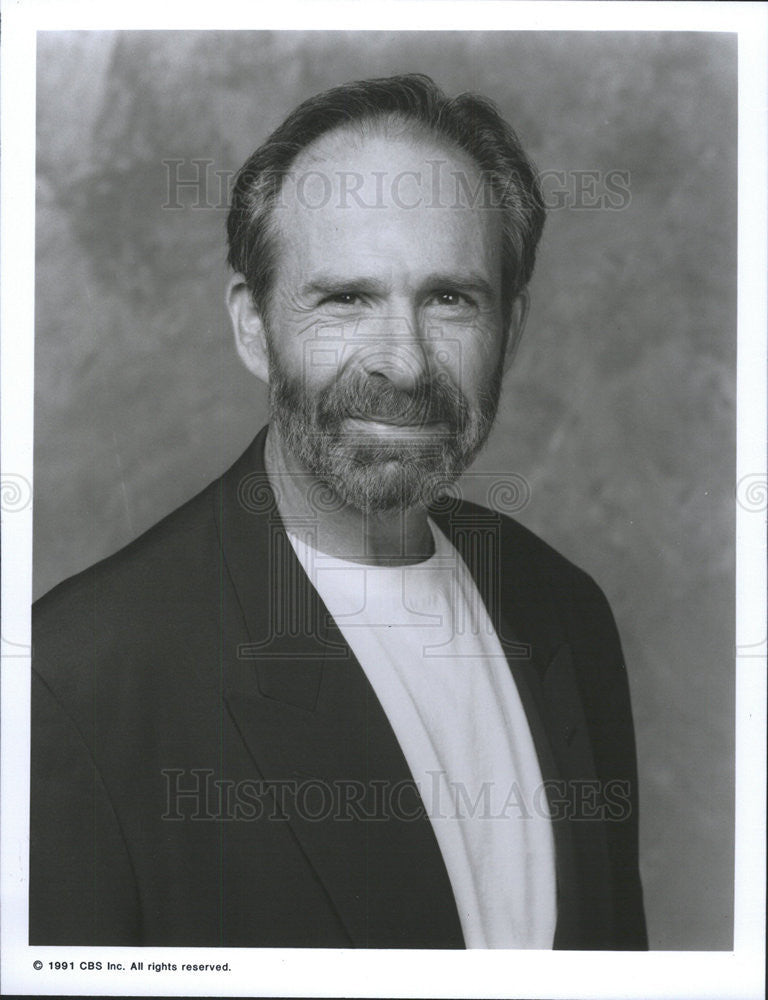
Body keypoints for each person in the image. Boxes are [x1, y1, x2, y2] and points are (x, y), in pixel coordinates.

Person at [30, 74, 647, 949]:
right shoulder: (74, 685)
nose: (402, 360)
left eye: (449, 297)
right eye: (346, 299)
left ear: (512, 327)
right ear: (253, 325)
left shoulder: (565, 613)